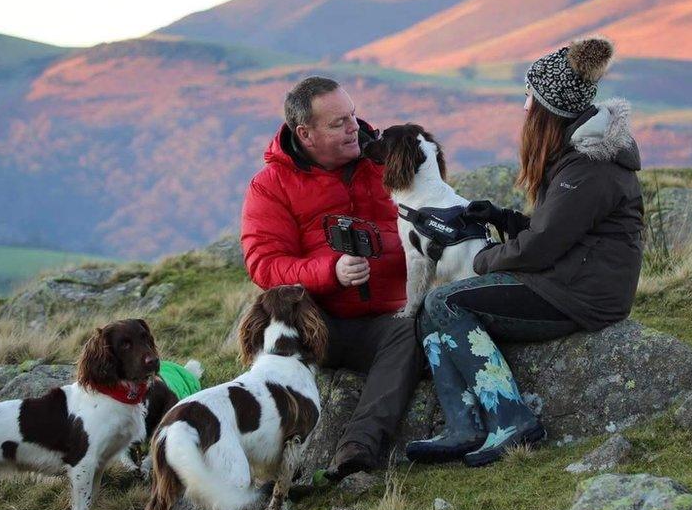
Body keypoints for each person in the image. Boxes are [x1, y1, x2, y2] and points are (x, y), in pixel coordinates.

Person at [405, 36, 644, 467]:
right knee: (429, 311)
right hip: (568, 280)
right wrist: (501, 217)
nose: (525, 106)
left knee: (445, 301)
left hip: (579, 294)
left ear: (548, 108)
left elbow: (542, 245)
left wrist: (484, 260)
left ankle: (511, 418)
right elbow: (557, 229)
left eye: (529, 96)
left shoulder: (589, 167)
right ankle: (464, 425)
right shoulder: (577, 153)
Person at [240, 76, 422, 479]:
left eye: (353, 115)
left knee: (407, 333)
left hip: (392, 314)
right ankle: (282, 467)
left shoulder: (387, 159)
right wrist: (330, 271)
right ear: (305, 134)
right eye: (338, 122)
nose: (354, 127)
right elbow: (265, 264)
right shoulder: (271, 186)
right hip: (322, 324)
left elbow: (430, 217)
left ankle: (359, 446)